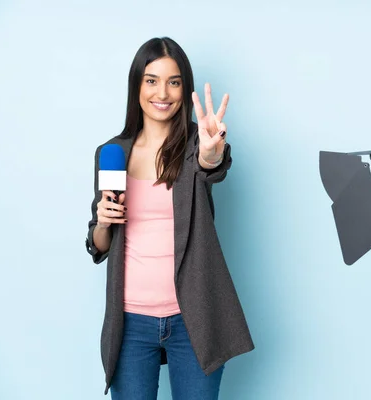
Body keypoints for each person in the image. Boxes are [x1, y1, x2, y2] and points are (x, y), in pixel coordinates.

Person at [84, 37, 254, 399]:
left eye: (174, 81)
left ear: (184, 88)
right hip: (130, 323)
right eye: (151, 80)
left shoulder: (198, 144)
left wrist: (210, 153)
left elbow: (212, 167)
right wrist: (102, 223)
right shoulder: (112, 153)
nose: (163, 92)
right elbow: (98, 245)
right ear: (137, 86)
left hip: (193, 317)